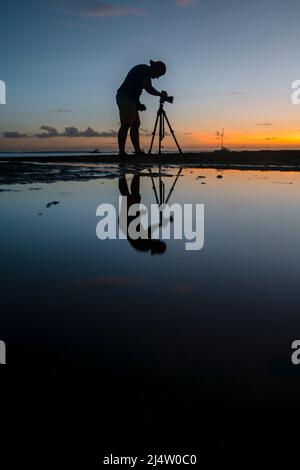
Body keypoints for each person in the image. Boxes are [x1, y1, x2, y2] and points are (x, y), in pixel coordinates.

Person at [116, 60, 168, 157]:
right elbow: (148, 88)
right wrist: (160, 94)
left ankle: (137, 151)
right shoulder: (145, 70)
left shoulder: (143, 70)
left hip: (130, 98)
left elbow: (135, 88)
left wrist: (138, 104)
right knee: (126, 124)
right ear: (155, 69)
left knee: (135, 124)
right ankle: (122, 153)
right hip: (125, 97)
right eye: (158, 75)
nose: (157, 77)